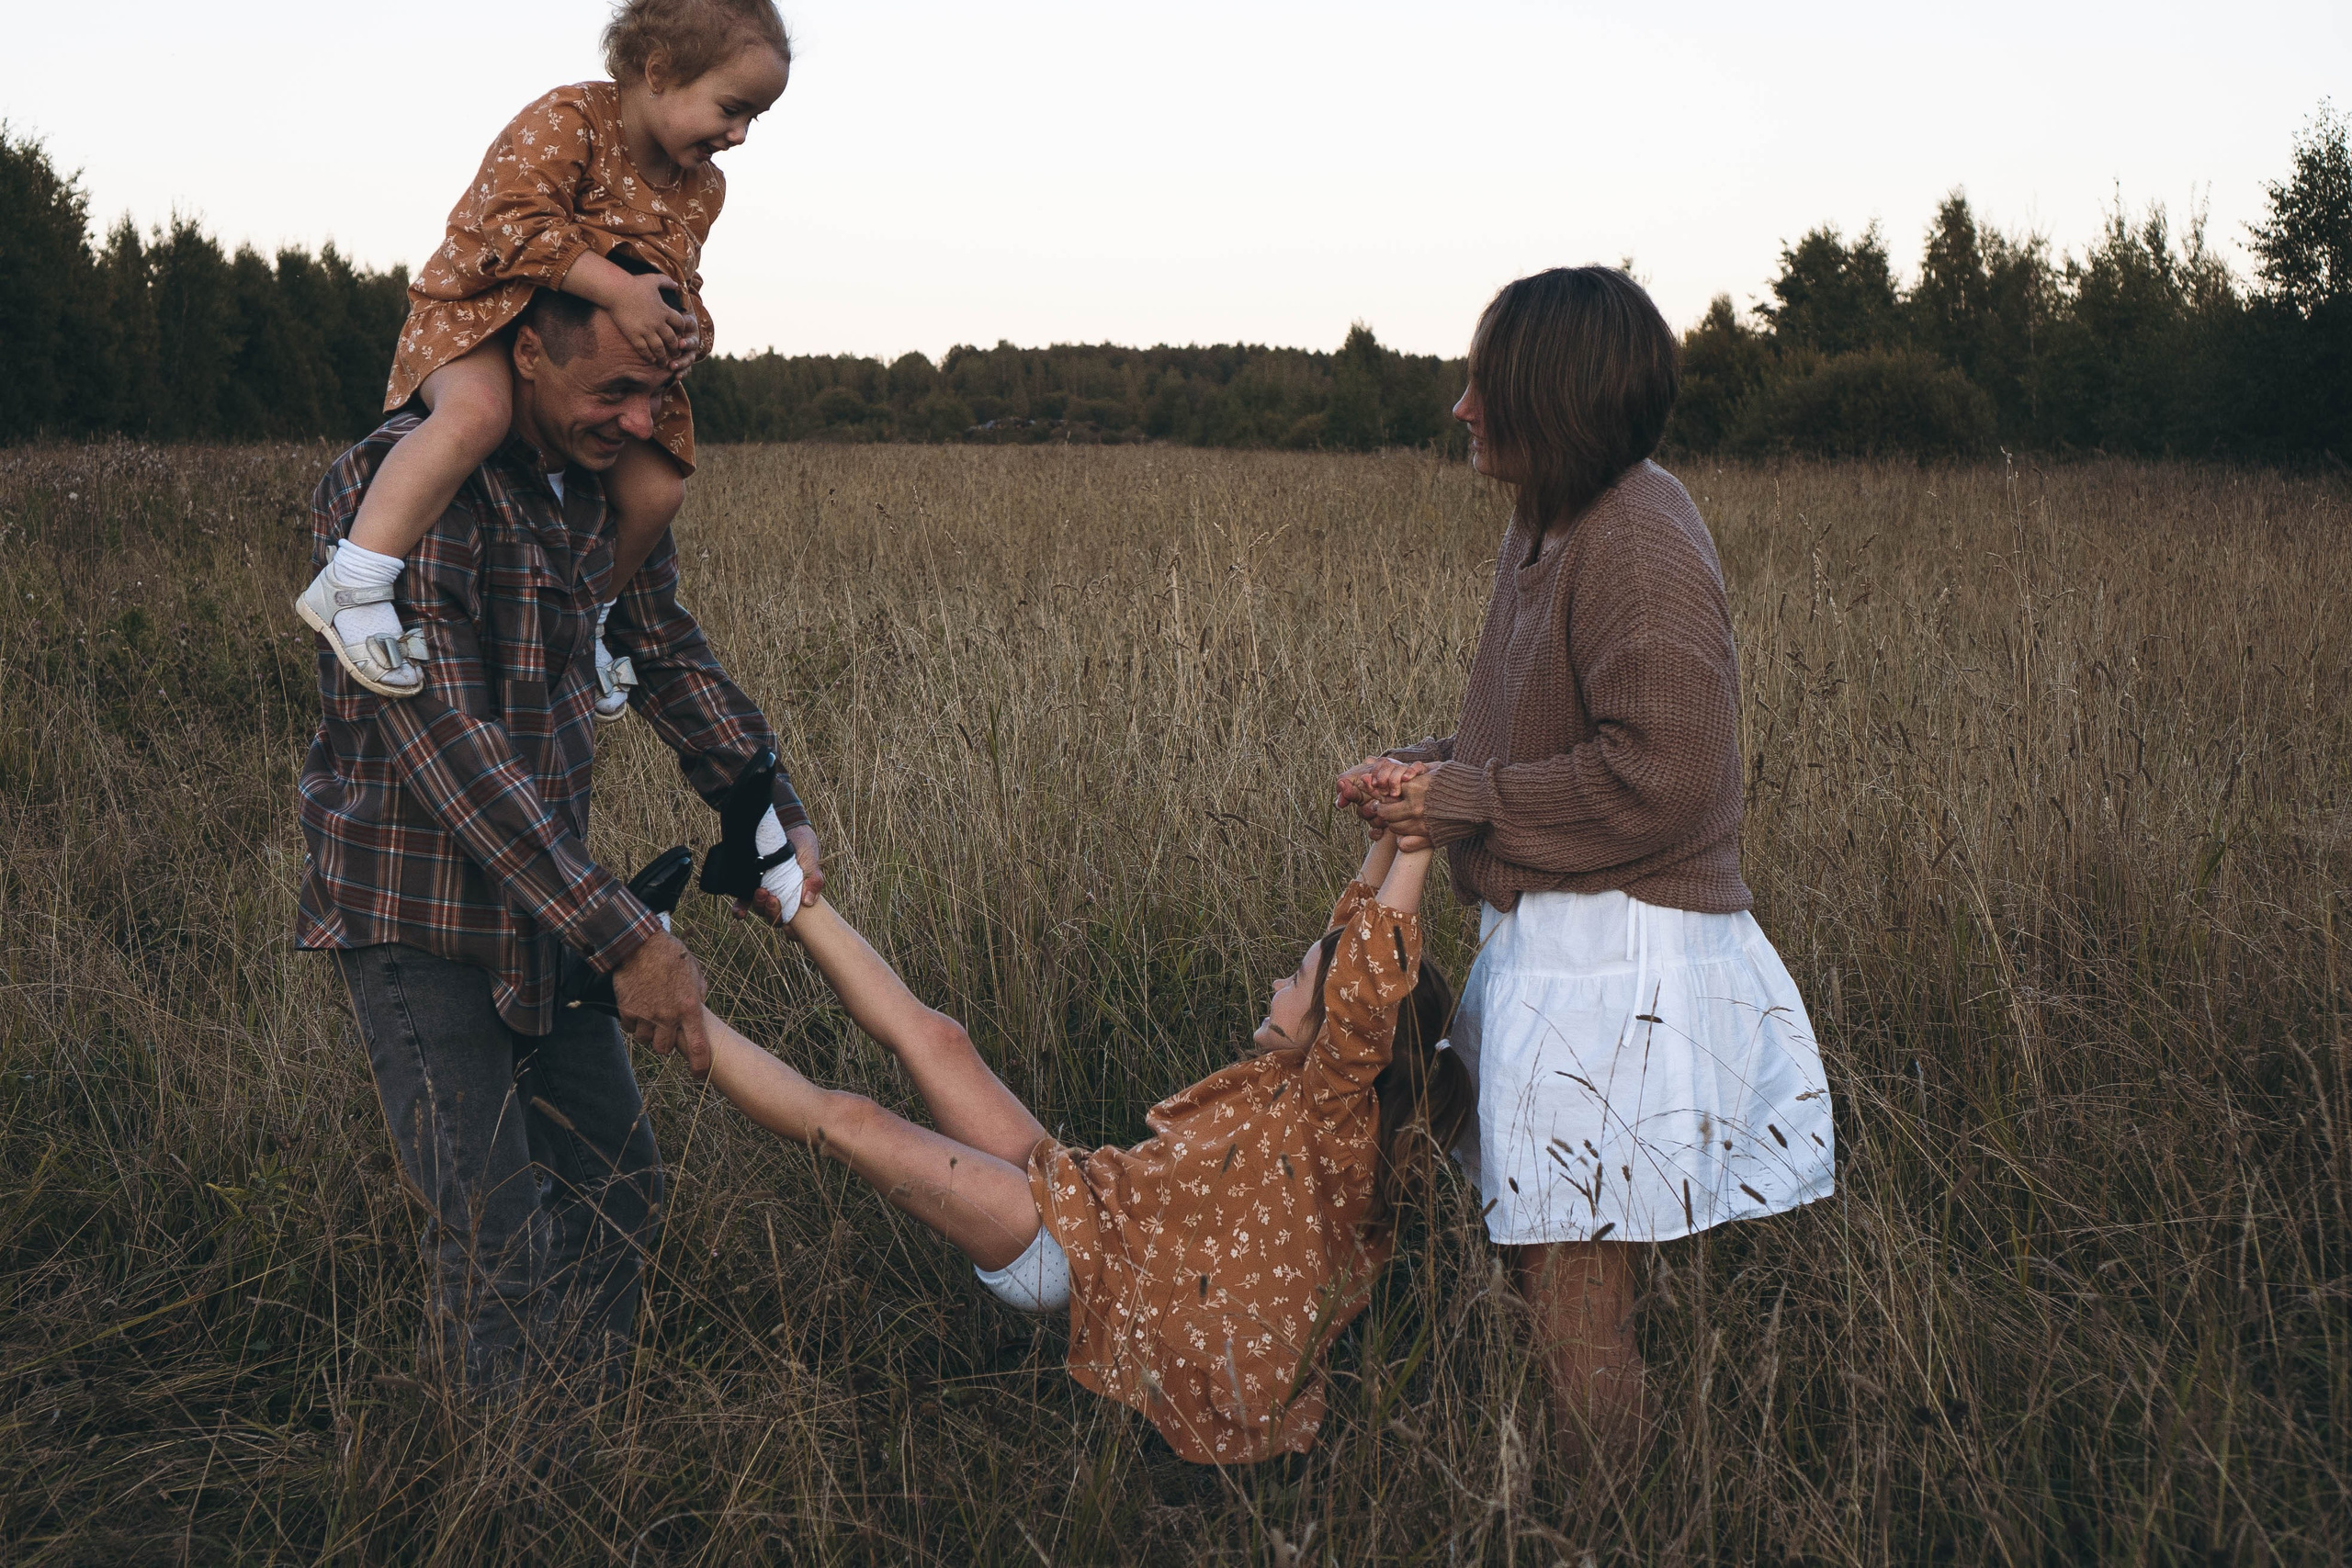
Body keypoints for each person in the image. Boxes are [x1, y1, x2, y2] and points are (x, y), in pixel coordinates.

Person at [1339, 266, 1837, 1460]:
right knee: (1550, 1277)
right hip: (1564, 950)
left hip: (1620, 965)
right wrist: (1424, 771)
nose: (1462, 407)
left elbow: (1668, 777)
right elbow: (1541, 739)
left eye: (1484, 383)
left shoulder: (1639, 539)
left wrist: (1462, 799)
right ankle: (1616, 1502)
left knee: (1573, 1303)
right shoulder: (1550, 521)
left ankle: (1621, 1520)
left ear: (1549, 396)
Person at [296, 278, 821, 1401]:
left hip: (550, 913)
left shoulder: (591, 493)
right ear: (527, 352)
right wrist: (628, 939)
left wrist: (763, 801)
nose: (640, 424)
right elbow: (442, 744)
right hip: (417, 917)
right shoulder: (399, 481)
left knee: (615, 1186)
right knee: (494, 1237)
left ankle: (584, 1436)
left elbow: (662, 643)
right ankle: (510, 1495)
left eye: (659, 396)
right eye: (617, 390)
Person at [701, 831, 1471, 1465]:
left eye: (1297, 978)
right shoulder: (1306, 1079)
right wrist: (1383, 831)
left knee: (851, 1121)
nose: (1280, 976)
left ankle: (662, 1003)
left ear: (1341, 1029)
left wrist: (1418, 842)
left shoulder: (1334, 1125)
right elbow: (1356, 942)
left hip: (1067, 1254)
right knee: (940, 1038)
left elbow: (1366, 979)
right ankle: (782, 884)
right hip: (1083, 1194)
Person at [295, 0, 792, 719]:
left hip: (581, 357)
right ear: (658, 72)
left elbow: (682, 279)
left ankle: (584, 618)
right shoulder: (570, 121)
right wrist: (620, 291)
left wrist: (689, 330)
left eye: (756, 118)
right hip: (480, 312)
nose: (740, 134)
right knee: (478, 416)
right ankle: (355, 580)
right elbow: (512, 227)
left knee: (658, 492)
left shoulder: (702, 188)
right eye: (731, 107)